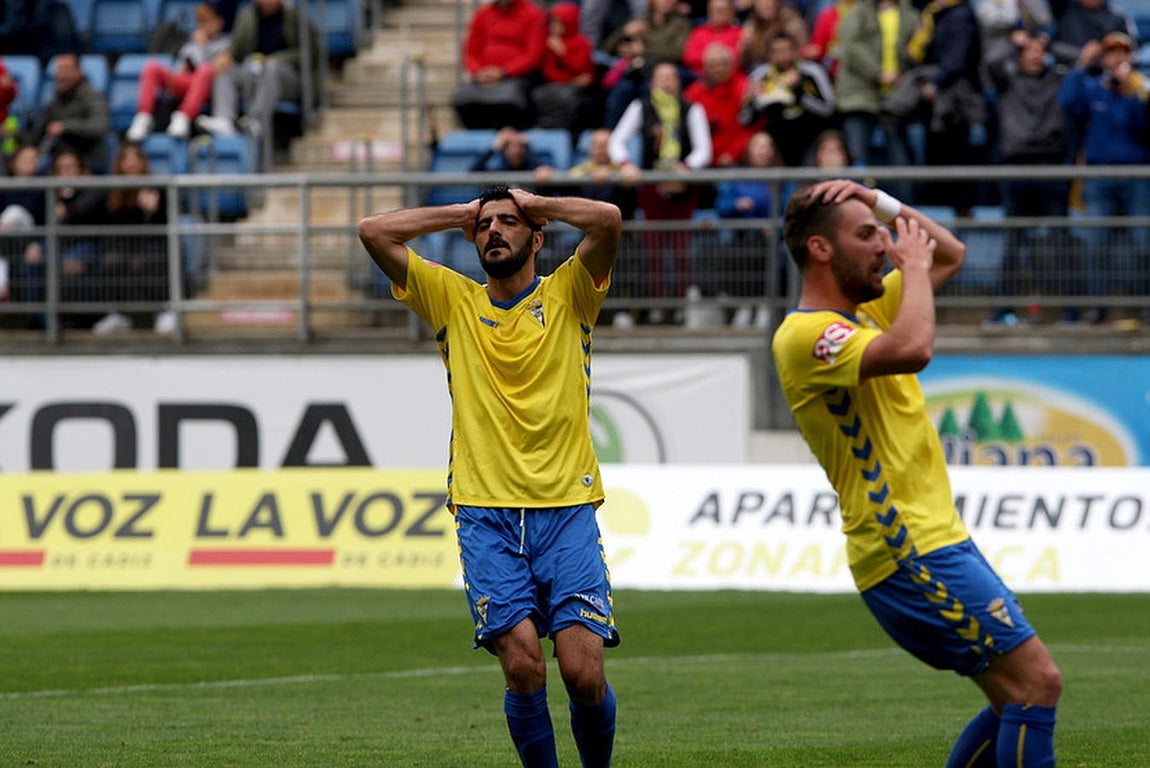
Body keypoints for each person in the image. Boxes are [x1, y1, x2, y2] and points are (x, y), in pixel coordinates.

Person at [772, 178, 1062, 767]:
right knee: (1038, 684)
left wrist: (877, 199)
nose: (883, 242)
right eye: (865, 235)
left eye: (881, 232)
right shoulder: (807, 334)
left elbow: (951, 253)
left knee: (1017, 699)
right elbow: (913, 347)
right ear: (821, 250)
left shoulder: (865, 308)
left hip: (937, 540)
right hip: (907, 550)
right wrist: (908, 260)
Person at [358, 185, 622, 768]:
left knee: (583, 673)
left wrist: (539, 202)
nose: (493, 231)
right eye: (485, 226)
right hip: (485, 513)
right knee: (524, 663)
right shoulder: (452, 300)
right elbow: (374, 231)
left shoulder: (571, 293)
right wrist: (459, 213)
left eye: (508, 222)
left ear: (536, 237)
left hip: (566, 511)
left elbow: (606, 220)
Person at [983, 30, 1076, 326]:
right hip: (1016, 167)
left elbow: (1085, 61)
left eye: (1040, 51)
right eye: (1030, 51)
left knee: (1061, 243)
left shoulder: (1058, 79)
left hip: (1051, 165)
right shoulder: (1007, 80)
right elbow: (990, 62)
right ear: (1019, 54)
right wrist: (1013, 41)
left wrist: (1050, 43)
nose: (1036, 55)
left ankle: (1072, 312)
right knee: (1013, 242)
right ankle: (1002, 311)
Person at [608, 60, 713, 320]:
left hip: (682, 187)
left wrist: (687, 167)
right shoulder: (640, 107)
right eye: (661, 77)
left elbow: (704, 150)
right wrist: (625, 164)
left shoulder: (692, 108)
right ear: (653, 82)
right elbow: (616, 141)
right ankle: (655, 303)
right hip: (651, 186)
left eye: (672, 77)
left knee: (681, 245)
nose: (667, 82)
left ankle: (680, 303)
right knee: (652, 244)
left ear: (678, 82)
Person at [1058, 31, 1150, 325]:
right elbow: (1067, 103)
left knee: (1143, 243)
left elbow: (1144, 128)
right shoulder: (1093, 87)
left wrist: (1132, 94)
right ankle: (1098, 308)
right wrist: (1081, 64)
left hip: (1137, 176)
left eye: (1122, 52)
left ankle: (1146, 307)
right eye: (1111, 53)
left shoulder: (1142, 89)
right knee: (1095, 245)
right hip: (1098, 176)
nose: (1117, 58)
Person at [196, 0, 322, 140]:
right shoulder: (247, 16)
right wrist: (226, 55)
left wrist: (277, 59)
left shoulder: (293, 15)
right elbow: (236, 47)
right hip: (253, 71)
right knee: (226, 71)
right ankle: (223, 118)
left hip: (287, 77)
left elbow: (310, 52)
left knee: (270, 68)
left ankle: (256, 120)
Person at [832, 0, 920, 200]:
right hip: (859, 95)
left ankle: (905, 214)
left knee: (900, 158)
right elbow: (851, 47)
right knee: (857, 158)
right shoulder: (858, 13)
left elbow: (918, 46)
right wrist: (878, 73)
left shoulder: (910, 15)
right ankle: (855, 209)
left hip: (897, 98)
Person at [126, 2, 231, 142]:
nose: (203, 25)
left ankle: (183, 117)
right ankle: (143, 117)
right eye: (200, 21)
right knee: (152, 67)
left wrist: (202, 46)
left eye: (207, 21)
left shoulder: (227, 43)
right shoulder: (190, 44)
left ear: (219, 22)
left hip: (209, 88)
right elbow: (180, 69)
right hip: (187, 83)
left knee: (205, 70)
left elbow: (210, 68)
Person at [741, 33, 837, 167]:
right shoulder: (760, 75)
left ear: (796, 51)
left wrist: (799, 92)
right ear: (769, 56)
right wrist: (753, 101)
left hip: (811, 137)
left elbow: (829, 109)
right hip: (776, 141)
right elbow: (745, 120)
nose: (783, 57)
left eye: (787, 51)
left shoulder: (812, 71)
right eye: (777, 52)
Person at [452, 0, 548, 130]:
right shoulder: (483, 14)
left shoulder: (533, 14)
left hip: (517, 77)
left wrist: (503, 72)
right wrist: (479, 72)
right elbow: (470, 52)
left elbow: (533, 55)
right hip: (483, 77)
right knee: (463, 97)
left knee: (509, 98)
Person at [22, 53, 111, 173]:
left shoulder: (94, 97)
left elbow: (99, 126)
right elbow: (38, 133)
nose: (61, 76)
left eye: (66, 70)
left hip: (87, 159)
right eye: (59, 70)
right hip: (56, 160)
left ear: (79, 72)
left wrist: (65, 126)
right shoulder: (55, 101)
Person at [531, 2, 597, 133]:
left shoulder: (582, 42)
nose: (554, 27)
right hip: (557, 85)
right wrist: (569, 81)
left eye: (558, 23)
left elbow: (581, 68)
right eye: (552, 23)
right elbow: (549, 71)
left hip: (578, 90)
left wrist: (563, 52)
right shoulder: (548, 42)